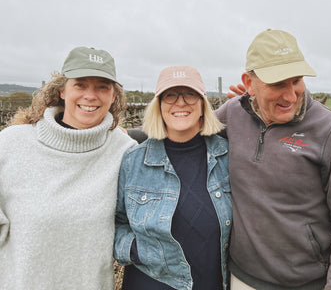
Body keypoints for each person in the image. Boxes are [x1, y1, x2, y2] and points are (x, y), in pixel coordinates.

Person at [216, 29, 331, 290]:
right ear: (249, 83)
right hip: (242, 278)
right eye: (277, 84)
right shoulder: (233, 113)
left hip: (307, 283)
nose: (290, 96)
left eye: (296, 80)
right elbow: (188, 133)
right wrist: (129, 136)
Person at [0, 47, 137, 289]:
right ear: (62, 90)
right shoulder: (11, 143)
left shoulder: (124, 150)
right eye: (80, 85)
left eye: (102, 86)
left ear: (114, 96)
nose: (90, 95)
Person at [114, 66, 232, 290]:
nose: (180, 103)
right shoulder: (133, 161)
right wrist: (136, 251)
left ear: (202, 104)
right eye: (170, 95)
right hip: (149, 283)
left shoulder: (227, 156)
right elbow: (115, 223)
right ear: (158, 105)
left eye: (189, 94)